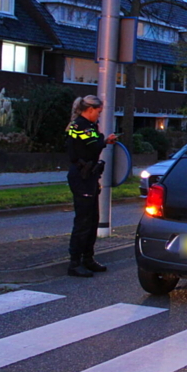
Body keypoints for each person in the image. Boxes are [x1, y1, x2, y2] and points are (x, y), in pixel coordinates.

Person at [65, 95, 118, 277]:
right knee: (83, 221)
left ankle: (88, 258)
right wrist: (104, 140)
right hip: (82, 176)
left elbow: (95, 143)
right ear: (90, 110)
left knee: (93, 218)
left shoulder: (87, 126)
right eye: (98, 112)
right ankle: (75, 262)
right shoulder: (80, 126)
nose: (99, 116)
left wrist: (102, 140)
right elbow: (93, 145)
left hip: (89, 176)